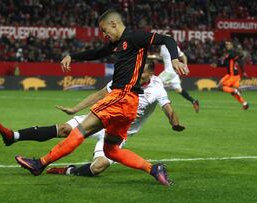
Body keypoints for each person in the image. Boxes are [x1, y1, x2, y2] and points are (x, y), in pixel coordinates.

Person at [12, 9, 188, 186]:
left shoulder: (134, 38)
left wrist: (174, 59)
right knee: (111, 150)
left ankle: (40, 164)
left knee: (80, 131)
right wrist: (72, 57)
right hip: (130, 104)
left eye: (105, 30)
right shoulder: (117, 44)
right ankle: (153, 169)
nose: (104, 35)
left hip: (120, 97)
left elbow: (167, 39)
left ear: (114, 24)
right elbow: (96, 53)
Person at [0, 61, 185, 177]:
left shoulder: (157, 88)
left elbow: (168, 109)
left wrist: (174, 123)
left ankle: (67, 170)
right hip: (100, 117)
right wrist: (75, 109)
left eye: (141, 73)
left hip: (117, 132)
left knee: (99, 166)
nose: (137, 76)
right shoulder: (126, 77)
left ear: (150, 73)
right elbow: (99, 94)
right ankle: (13, 136)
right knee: (64, 129)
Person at [157, 45, 199, 113]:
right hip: (173, 71)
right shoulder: (162, 47)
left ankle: (165, 103)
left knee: (156, 83)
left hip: (170, 71)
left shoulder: (174, 46)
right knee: (178, 90)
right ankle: (194, 101)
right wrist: (152, 56)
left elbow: (183, 56)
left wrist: (185, 65)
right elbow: (162, 57)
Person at [211, 41, 249, 110]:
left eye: (229, 44)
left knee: (221, 87)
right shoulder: (228, 54)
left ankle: (235, 91)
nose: (227, 45)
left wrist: (243, 72)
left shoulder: (232, 52)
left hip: (233, 75)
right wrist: (217, 65)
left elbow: (240, 61)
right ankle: (245, 103)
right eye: (227, 44)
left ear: (232, 45)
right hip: (231, 75)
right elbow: (226, 64)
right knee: (232, 92)